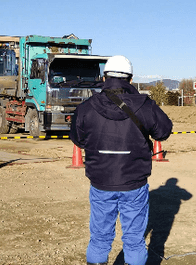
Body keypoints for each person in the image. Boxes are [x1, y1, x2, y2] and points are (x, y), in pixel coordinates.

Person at [70, 55, 173, 265]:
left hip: (101, 184)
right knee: (135, 241)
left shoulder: (86, 107)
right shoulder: (145, 105)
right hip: (134, 183)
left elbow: (78, 139)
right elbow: (164, 131)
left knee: (99, 240)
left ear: (104, 77)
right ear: (131, 79)